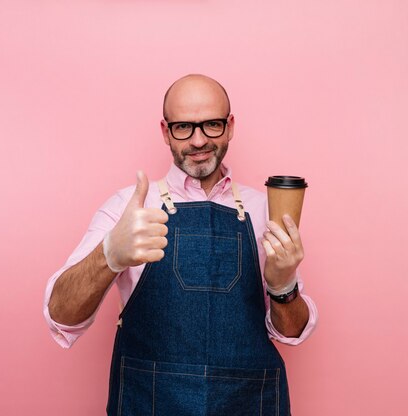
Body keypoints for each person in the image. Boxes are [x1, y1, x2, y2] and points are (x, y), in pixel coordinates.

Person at [43, 74, 318, 415]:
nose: (198, 139)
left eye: (212, 124)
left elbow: (292, 332)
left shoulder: (266, 210)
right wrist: (109, 254)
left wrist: (283, 285)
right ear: (165, 131)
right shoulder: (130, 209)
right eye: (183, 127)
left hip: (248, 402)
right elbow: (60, 316)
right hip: (149, 402)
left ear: (230, 126)